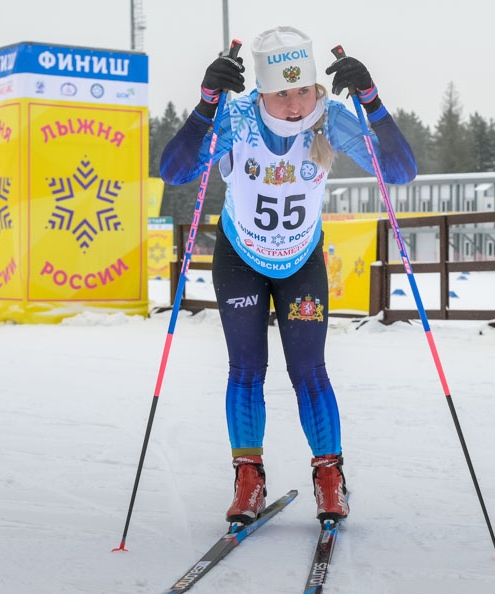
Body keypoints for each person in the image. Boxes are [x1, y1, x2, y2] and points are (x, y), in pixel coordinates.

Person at [160, 27, 417, 524]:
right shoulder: (235, 120)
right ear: (261, 90)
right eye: (282, 94)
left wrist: (373, 101)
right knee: (246, 371)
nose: (296, 105)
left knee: (309, 372)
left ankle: (329, 478)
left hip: (301, 263)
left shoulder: (332, 119)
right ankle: (249, 480)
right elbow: (174, 171)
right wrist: (206, 105)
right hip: (240, 262)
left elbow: (401, 172)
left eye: (303, 90)